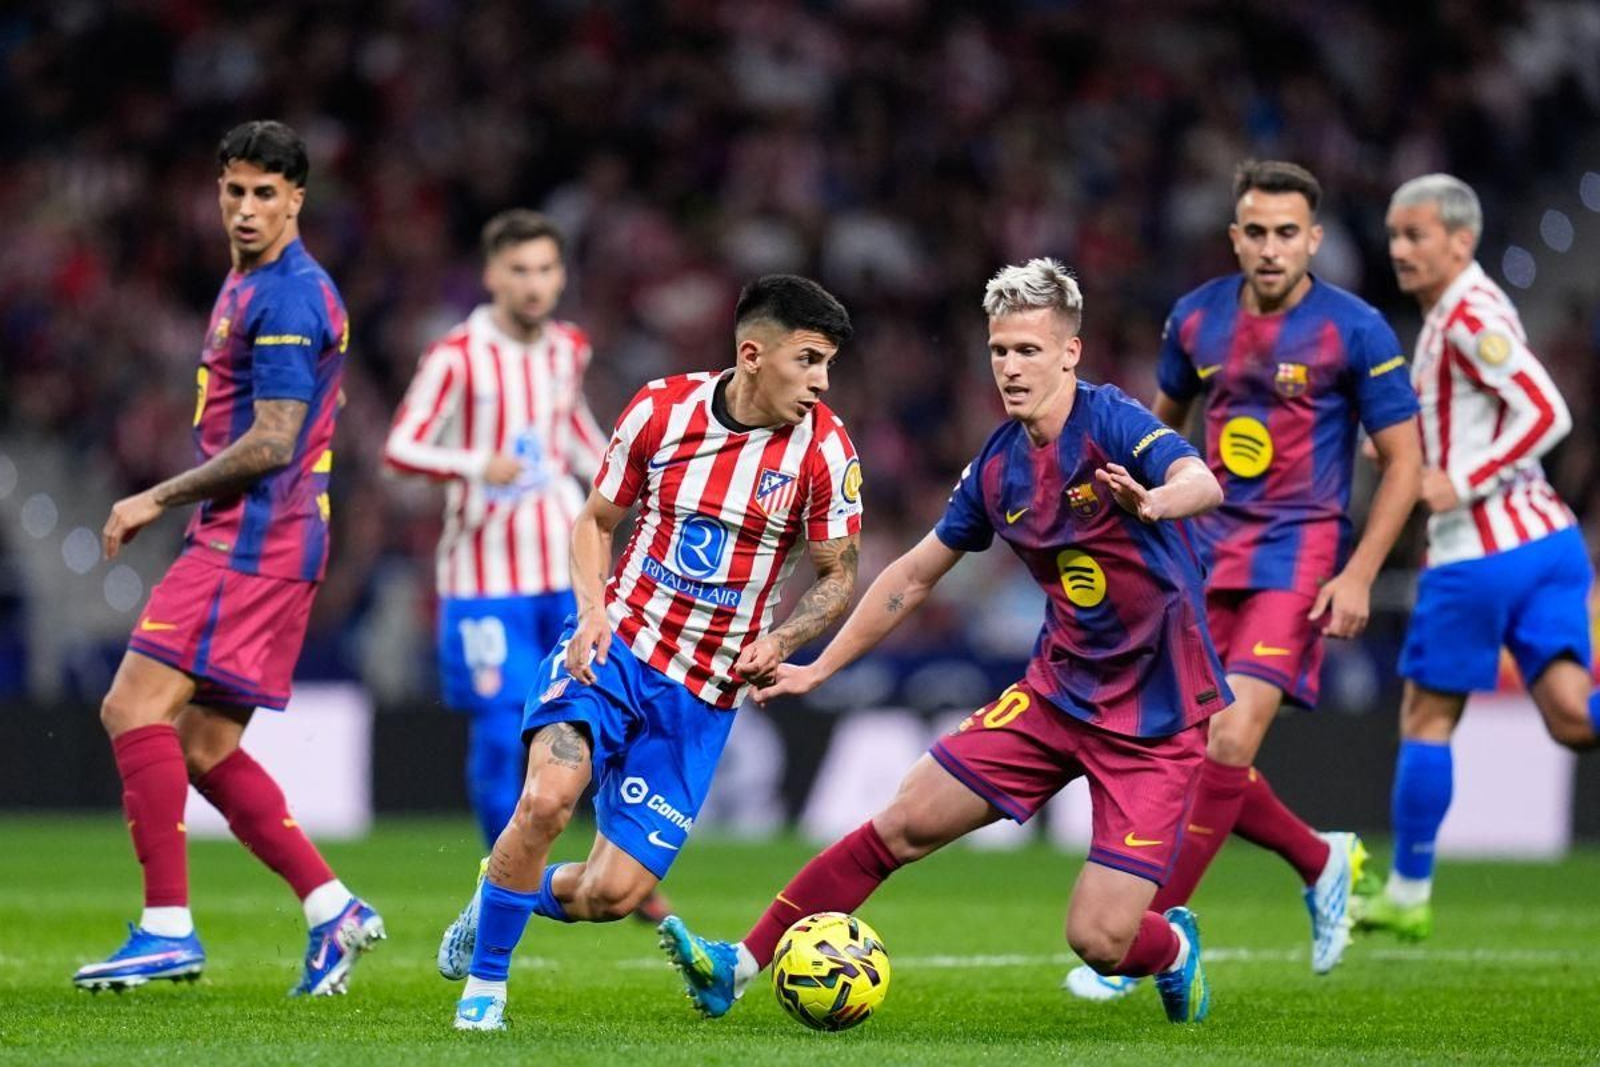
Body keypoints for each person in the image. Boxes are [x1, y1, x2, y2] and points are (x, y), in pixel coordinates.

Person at [660, 258, 1231, 1027]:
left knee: (1100, 938)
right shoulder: (998, 465)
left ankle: (1173, 949)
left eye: (1028, 350)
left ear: (1070, 352)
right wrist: (819, 665)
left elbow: (1203, 480)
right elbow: (912, 576)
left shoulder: (1114, 423)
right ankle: (738, 965)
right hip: (1058, 695)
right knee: (902, 820)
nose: (1010, 367)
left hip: (1155, 721)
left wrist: (1157, 501)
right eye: (999, 350)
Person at [441, 274, 864, 1031]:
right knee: (544, 802)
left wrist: (783, 637)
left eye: (828, 364)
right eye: (808, 360)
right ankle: (485, 990)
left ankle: (497, 892)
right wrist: (591, 612)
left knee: (613, 895)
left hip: (702, 695)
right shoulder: (661, 410)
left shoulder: (825, 451)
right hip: (616, 649)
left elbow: (838, 575)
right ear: (753, 354)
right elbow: (595, 521)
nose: (821, 382)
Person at [1064, 160, 1422, 1000]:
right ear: (1234, 237)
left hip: (1298, 553)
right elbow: (1159, 430)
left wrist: (1359, 574)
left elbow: (1405, 464)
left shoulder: (1356, 330)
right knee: (1193, 747)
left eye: (1286, 233)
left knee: (1227, 742)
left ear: (1315, 239)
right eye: (1255, 232)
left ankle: (1151, 930)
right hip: (1205, 548)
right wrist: (1136, 512)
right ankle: (1320, 858)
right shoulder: (1196, 318)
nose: (1270, 247)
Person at [74, 121, 383, 996]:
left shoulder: (289, 296)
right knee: (204, 744)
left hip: (253, 537)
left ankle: (167, 928)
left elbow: (275, 439)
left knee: (131, 705)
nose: (247, 208)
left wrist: (155, 496)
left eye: (265, 194)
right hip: (270, 539)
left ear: (296, 200)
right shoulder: (251, 280)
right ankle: (333, 908)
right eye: (234, 190)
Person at [386, 211, 673, 953]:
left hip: (564, 575)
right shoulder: (456, 356)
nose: (535, 284)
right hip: (482, 581)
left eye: (546, 269)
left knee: (594, 717)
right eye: (520, 270)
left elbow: (571, 429)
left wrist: (626, 480)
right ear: (492, 276)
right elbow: (402, 447)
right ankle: (499, 886)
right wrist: (474, 464)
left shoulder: (568, 347)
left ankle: (611, 863)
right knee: (496, 734)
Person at [1353, 174, 1597, 939]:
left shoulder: (1466, 314)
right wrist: (1408, 450)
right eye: (1395, 234)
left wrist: (1460, 479)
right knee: (1572, 716)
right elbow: (1477, 417)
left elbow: (1547, 410)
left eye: (1416, 235)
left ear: (1461, 240)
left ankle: (1408, 891)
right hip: (1548, 543)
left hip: (1480, 555)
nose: (1400, 249)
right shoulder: (1460, 311)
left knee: (1426, 715)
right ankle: (1407, 891)